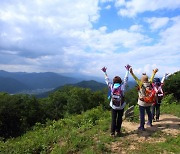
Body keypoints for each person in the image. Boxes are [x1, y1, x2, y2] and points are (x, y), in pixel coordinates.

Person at [101, 64, 130, 137]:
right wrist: (127, 70)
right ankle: (118, 131)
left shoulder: (111, 86)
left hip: (113, 105)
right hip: (121, 106)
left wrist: (105, 72)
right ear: (120, 82)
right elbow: (126, 79)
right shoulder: (122, 87)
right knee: (119, 118)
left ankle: (112, 133)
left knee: (113, 119)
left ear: (114, 82)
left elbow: (107, 80)